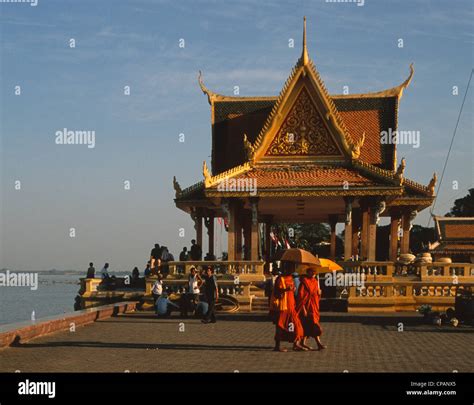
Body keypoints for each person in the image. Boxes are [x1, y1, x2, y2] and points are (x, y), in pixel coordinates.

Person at [270, 261, 305, 352]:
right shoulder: (280, 278)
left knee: (297, 325)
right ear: (285, 268)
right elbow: (277, 291)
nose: (292, 270)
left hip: (291, 305)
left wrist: (293, 289)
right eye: (290, 268)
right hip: (283, 306)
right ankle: (277, 346)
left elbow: (294, 291)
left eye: (293, 268)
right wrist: (286, 289)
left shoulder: (291, 278)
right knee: (280, 326)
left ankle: (296, 344)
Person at [296, 267, 326, 351]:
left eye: (314, 272)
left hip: (314, 307)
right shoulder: (304, 282)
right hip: (307, 307)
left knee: (308, 325)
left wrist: (319, 293)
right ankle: (318, 343)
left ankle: (303, 342)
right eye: (311, 272)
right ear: (308, 272)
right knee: (313, 324)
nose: (313, 274)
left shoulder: (315, 282)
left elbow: (316, 296)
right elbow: (301, 296)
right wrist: (303, 308)